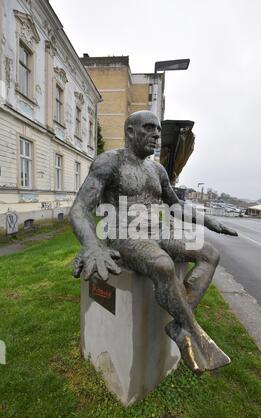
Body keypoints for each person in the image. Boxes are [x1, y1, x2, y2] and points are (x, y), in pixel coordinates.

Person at [70, 110, 238, 373]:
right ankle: (193, 333)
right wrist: (92, 245)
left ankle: (180, 324)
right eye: (149, 128)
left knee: (210, 253)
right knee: (163, 265)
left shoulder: (157, 169)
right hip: (123, 234)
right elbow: (79, 209)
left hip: (157, 230)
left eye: (158, 130)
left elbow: (175, 205)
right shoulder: (109, 162)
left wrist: (206, 221)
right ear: (130, 132)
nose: (157, 135)